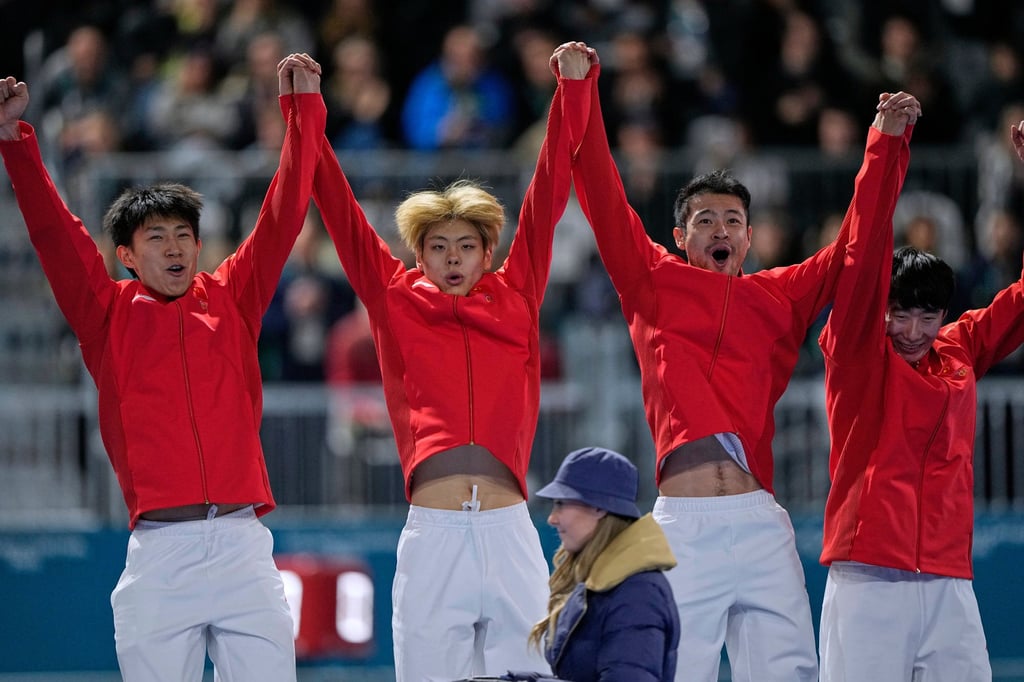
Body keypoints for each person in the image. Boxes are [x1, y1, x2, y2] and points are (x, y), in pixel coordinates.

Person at [566, 41, 920, 682]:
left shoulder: (778, 296)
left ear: (751, 237)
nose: (721, 229)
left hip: (761, 525)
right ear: (681, 237)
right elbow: (598, 190)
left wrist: (886, 144)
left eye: (734, 219)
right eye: (705, 220)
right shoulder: (651, 281)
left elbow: (856, 244)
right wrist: (578, 89)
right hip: (683, 530)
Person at [0, 53, 325, 681]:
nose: (173, 246)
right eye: (155, 237)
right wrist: (16, 142)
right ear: (125, 254)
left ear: (199, 245)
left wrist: (302, 111)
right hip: (160, 554)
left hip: (242, 549)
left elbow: (283, 214)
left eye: (183, 233)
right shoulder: (106, 315)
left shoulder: (233, 297)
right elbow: (55, 236)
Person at [309, 43, 593, 681]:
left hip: (509, 529)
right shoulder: (395, 299)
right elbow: (341, 214)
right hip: (433, 531)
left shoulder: (517, 295)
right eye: (439, 247)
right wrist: (306, 113)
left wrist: (572, 94)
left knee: (531, 675)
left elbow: (548, 194)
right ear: (420, 256)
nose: (454, 258)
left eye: (467, 245)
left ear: (488, 252)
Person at [814, 121, 1024, 681]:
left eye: (927, 316)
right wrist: (886, 148)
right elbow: (861, 252)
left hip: (951, 582)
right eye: (899, 313)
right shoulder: (857, 352)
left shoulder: (958, 350)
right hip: (868, 580)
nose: (912, 330)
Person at [530, 446, 680, 682]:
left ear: (599, 508)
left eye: (561, 504)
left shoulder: (637, 594)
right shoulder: (605, 581)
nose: (552, 518)